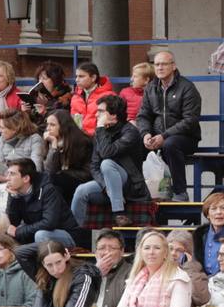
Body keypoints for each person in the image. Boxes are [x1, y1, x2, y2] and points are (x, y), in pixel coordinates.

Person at [71, 94, 148, 229]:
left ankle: (119, 213)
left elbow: (107, 152)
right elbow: (94, 166)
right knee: (81, 191)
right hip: (107, 185)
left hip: (131, 185)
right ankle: (77, 232)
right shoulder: (101, 133)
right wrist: (105, 186)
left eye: (101, 111)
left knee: (107, 163)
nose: (96, 115)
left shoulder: (130, 132)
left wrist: (100, 129)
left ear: (113, 115)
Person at [134, 50, 202, 203]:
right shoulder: (151, 88)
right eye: (157, 64)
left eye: (164, 64)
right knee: (133, 143)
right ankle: (139, 192)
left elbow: (190, 120)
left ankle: (180, 192)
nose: (160, 67)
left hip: (185, 138)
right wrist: (145, 134)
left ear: (173, 66)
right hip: (156, 137)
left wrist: (164, 136)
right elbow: (143, 115)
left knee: (170, 145)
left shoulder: (187, 87)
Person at [1, 157, 77, 247]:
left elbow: (49, 223)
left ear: (26, 178)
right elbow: (13, 223)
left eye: (12, 174)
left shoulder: (48, 190)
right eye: (7, 174)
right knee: (5, 235)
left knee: (41, 235)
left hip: (66, 234)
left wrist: (20, 231)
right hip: (37, 232)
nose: (7, 178)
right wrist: (14, 198)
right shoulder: (16, 193)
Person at [43, 109, 94, 203]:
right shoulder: (52, 140)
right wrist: (53, 147)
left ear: (63, 126)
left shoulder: (81, 142)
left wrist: (63, 174)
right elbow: (49, 171)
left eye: (52, 125)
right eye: (47, 124)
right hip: (60, 179)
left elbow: (87, 172)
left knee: (55, 180)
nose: (48, 128)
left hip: (80, 179)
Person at [0, 108, 46, 183]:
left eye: (2, 128)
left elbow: (36, 169)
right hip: (3, 181)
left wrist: (5, 178)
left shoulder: (34, 139)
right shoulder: (2, 139)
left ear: (15, 128)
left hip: (25, 184)